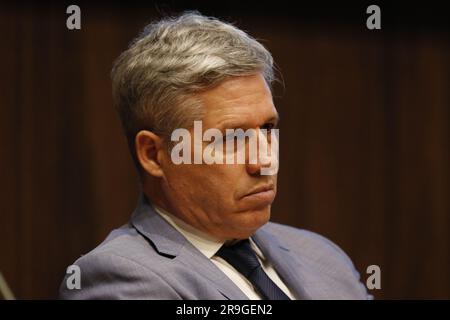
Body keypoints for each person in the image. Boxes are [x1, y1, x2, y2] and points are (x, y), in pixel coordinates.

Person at [59, 12, 370, 300]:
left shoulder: (321, 255)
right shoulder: (119, 278)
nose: (265, 161)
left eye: (268, 128)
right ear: (154, 155)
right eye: (232, 138)